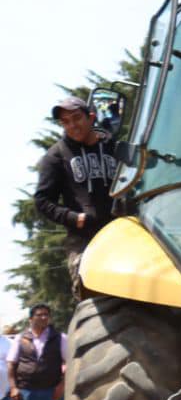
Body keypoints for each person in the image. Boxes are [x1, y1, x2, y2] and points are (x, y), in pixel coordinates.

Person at [35, 96, 124, 298]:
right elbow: (42, 201)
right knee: (90, 295)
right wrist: (73, 218)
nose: (72, 125)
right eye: (66, 122)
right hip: (83, 239)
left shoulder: (114, 147)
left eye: (76, 118)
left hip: (122, 234)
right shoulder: (56, 156)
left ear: (91, 117)